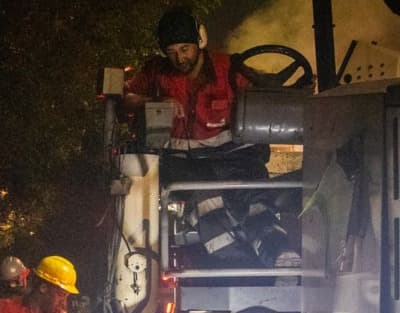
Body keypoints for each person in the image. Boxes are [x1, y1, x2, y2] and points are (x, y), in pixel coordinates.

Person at [123, 7, 290, 268]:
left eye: (185, 49)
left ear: (199, 42)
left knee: (255, 202)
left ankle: (281, 255)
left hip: (234, 158)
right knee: (205, 203)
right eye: (171, 52)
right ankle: (239, 265)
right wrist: (156, 101)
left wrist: (286, 88)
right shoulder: (155, 71)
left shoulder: (229, 68)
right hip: (182, 164)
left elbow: (264, 91)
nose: (179, 58)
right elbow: (127, 96)